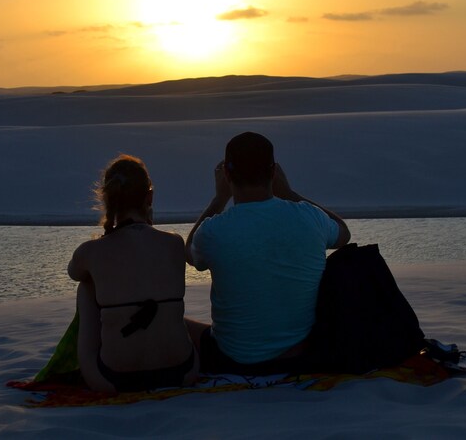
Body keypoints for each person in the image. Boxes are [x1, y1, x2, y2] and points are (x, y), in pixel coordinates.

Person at [185, 132, 351, 374]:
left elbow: (191, 254)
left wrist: (218, 199)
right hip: (301, 355)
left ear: (227, 175)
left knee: (173, 320)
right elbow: (343, 233)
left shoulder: (213, 231)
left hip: (233, 359)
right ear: (273, 172)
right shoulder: (308, 217)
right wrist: (290, 193)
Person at [68, 154, 199, 392]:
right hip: (183, 372)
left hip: (112, 380)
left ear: (107, 199)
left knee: (86, 285)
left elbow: (74, 272)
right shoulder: (173, 243)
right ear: (149, 197)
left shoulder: (90, 251)